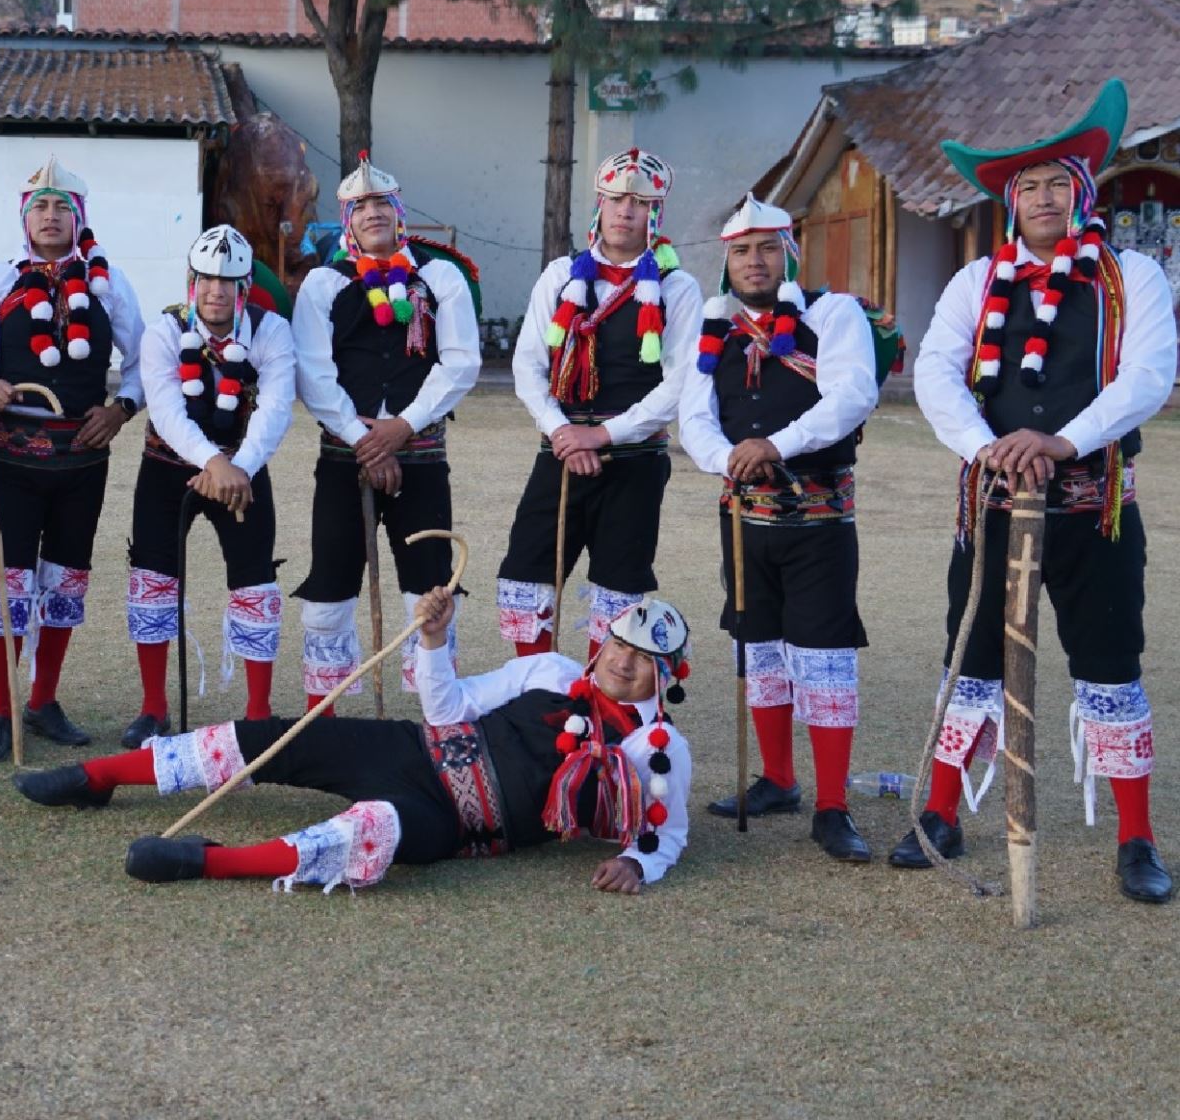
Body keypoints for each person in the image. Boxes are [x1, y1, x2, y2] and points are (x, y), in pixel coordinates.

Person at [899, 78, 1174, 903]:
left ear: (1084, 193)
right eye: (1032, 187)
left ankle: (1136, 840)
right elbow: (936, 371)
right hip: (991, 504)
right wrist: (990, 448)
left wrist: (1060, 440)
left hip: (1097, 508)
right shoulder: (977, 281)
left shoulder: (1133, 280)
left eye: (1061, 183)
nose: (1047, 199)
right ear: (1011, 201)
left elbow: (1149, 374)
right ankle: (942, 814)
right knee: (970, 662)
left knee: (1110, 667)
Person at [16, 592, 696, 894]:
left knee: (365, 832)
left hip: (456, 824)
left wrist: (639, 864)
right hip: (412, 751)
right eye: (619, 645)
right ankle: (98, 776)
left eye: (644, 660)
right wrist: (433, 642)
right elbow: (448, 706)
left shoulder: (656, 747)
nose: (623, 663)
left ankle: (204, 862)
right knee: (277, 737)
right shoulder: (550, 670)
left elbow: (663, 833)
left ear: (665, 677)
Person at [679, 195, 879, 863]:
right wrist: (727, 459)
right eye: (741, 251)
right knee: (757, 647)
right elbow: (695, 414)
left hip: (818, 520)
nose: (754, 262)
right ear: (726, 263)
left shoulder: (833, 314)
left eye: (766, 249)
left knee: (823, 659)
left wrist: (774, 444)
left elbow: (852, 394)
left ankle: (831, 806)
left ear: (788, 254)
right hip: (744, 518)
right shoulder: (717, 330)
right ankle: (778, 779)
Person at [0, 156, 145, 761]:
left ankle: (42, 699)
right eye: (38, 206)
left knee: (66, 580)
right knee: (6, 584)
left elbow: (147, 359)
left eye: (61, 206)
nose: (49, 216)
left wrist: (122, 408)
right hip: (13, 459)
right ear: (23, 217)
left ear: (78, 217)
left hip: (83, 461)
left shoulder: (109, 283)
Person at [291, 152, 480, 708]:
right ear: (345, 219)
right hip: (343, 459)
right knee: (328, 593)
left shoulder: (439, 274)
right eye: (359, 206)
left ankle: (436, 719)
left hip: (420, 456)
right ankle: (321, 727)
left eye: (381, 203)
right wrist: (363, 441)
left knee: (430, 593)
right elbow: (313, 370)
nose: (372, 212)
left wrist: (401, 427)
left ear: (399, 213)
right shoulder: (323, 283)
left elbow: (461, 361)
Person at [499, 148, 702, 658]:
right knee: (528, 571)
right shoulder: (560, 275)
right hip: (561, 448)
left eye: (638, 202)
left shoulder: (678, 289)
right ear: (600, 204)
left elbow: (679, 384)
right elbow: (528, 365)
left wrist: (603, 435)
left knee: (619, 587)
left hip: (632, 459)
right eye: (615, 199)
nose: (624, 211)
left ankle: (602, 710)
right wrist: (562, 432)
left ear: (654, 214)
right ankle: (539, 701)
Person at [122, 224, 296, 745]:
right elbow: (169, 410)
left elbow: (276, 406)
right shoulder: (163, 332)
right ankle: (154, 707)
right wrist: (212, 463)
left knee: (254, 579)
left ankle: (258, 711)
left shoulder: (271, 330)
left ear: (244, 287)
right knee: (153, 581)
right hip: (168, 466)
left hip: (244, 466)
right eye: (205, 280)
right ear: (190, 281)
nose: (215, 291)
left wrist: (236, 466)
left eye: (227, 282)